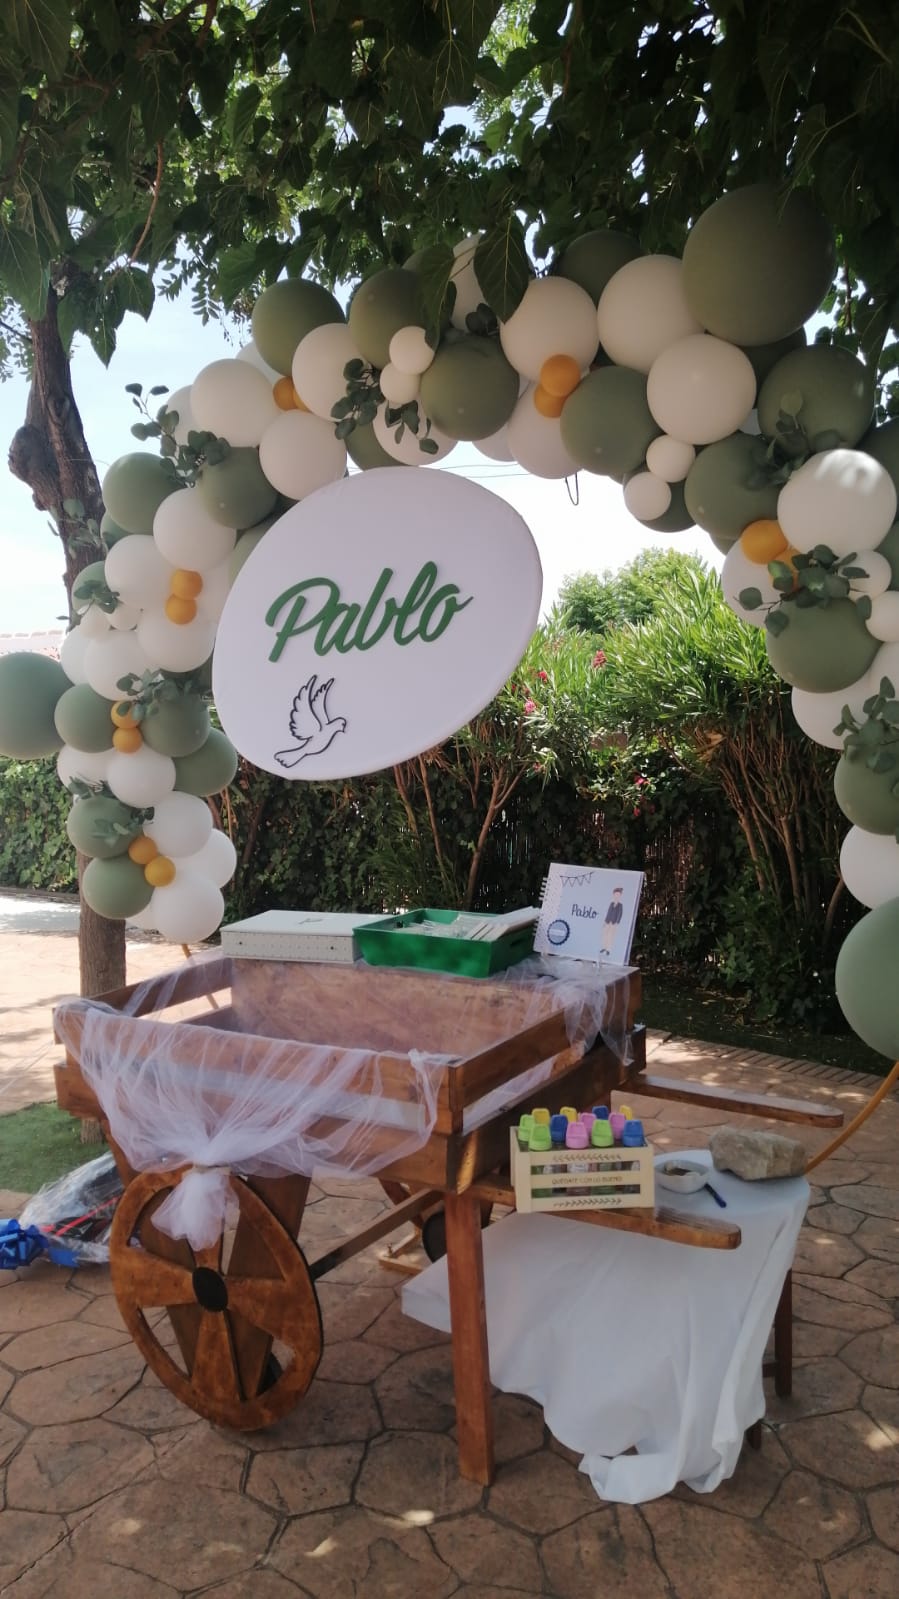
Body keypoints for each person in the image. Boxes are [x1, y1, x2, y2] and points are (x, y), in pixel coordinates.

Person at [599, 887, 624, 957]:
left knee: (610, 936)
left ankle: (608, 949)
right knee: (605, 934)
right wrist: (605, 921)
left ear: (620, 896)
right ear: (613, 895)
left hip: (614, 923)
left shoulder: (620, 905)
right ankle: (604, 947)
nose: (617, 896)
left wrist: (617, 923)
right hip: (608, 921)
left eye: (618, 895)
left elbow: (620, 914)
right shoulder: (611, 903)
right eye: (615, 894)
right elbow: (608, 913)